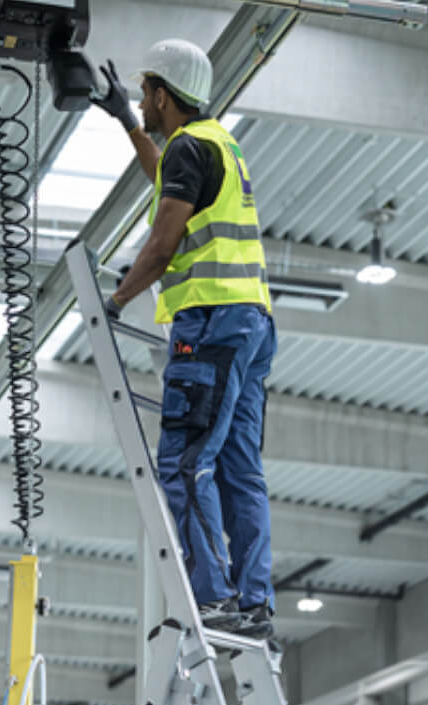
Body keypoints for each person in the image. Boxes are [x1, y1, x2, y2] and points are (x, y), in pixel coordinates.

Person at [91, 39, 276, 640]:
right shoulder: (215, 144)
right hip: (251, 323)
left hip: (212, 322)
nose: (142, 100)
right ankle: (252, 600)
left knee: (184, 462)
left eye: (144, 93)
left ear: (164, 95)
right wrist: (124, 121)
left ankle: (214, 597)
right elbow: (164, 178)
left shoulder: (191, 149)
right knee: (239, 468)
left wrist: (114, 302)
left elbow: (164, 242)